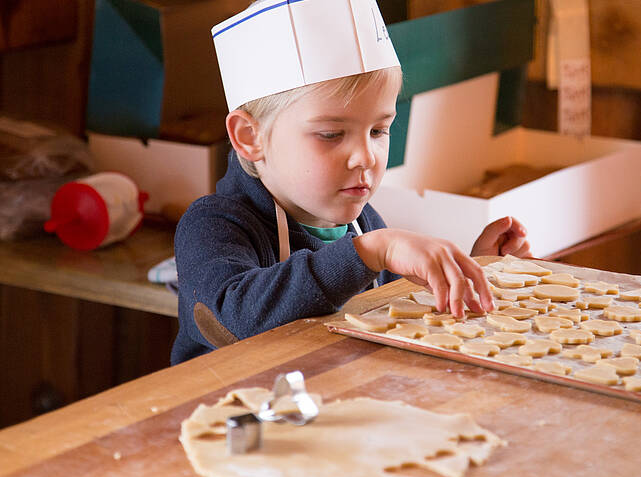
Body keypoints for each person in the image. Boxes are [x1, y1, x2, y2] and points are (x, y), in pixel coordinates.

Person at [170, 0, 531, 364]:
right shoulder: (213, 225)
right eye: (330, 134)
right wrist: (370, 252)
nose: (366, 157)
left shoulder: (364, 224)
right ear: (251, 137)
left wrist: (475, 270)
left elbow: (400, 315)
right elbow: (234, 321)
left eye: (378, 130)